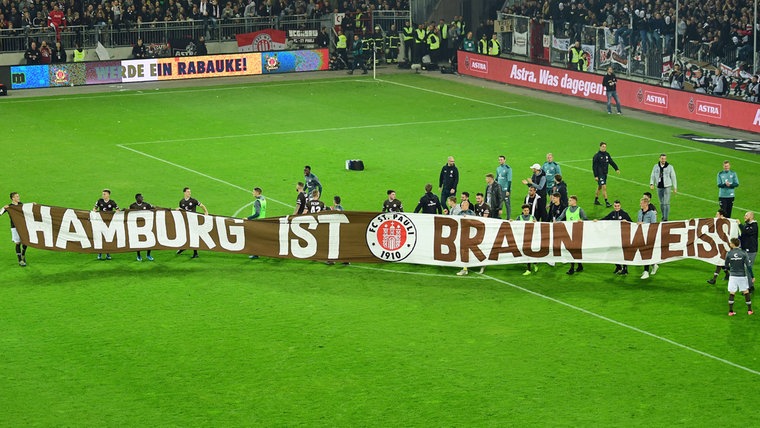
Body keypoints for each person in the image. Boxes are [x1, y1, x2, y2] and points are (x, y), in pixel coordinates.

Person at [555, 195, 588, 274]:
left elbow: (586, 220)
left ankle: (572, 268)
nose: (568, 202)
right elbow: (560, 218)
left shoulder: (580, 210)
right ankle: (579, 266)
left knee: (573, 250)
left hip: (577, 233)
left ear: (574, 201)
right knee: (572, 250)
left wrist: (581, 221)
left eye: (570, 200)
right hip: (568, 232)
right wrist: (555, 222)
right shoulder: (566, 209)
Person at [599, 200, 633, 275]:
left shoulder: (624, 214)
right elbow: (605, 219)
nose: (617, 207)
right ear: (614, 206)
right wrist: (597, 221)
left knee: (622, 253)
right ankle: (618, 267)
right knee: (612, 252)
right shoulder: (612, 214)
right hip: (614, 237)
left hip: (622, 237)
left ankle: (625, 268)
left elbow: (632, 223)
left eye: (618, 206)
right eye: (615, 206)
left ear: (620, 206)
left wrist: (627, 222)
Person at [725, 237, 754, 316]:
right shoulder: (744, 253)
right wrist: (752, 276)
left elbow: (726, 265)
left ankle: (730, 312)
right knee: (746, 292)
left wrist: (729, 270)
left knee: (732, 293)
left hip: (733, 276)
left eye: (730, 243)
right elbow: (748, 266)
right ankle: (749, 310)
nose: (730, 244)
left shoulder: (729, 253)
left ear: (733, 244)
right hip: (742, 276)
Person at [177, 187, 208, 258]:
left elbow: (202, 205)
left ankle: (195, 253)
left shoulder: (193, 200)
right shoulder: (181, 202)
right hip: (186, 221)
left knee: (193, 236)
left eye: (190, 192)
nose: (189, 193)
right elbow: (183, 210)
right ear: (184, 193)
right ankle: (184, 248)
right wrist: (179, 209)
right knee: (185, 235)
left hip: (193, 221)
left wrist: (206, 212)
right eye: (188, 192)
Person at [0, 192, 28, 267]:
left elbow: (27, 208)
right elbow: (0, 213)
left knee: (26, 241)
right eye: (17, 196)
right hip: (14, 227)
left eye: (18, 196)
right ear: (13, 198)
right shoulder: (9, 207)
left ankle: (23, 254)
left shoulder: (20, 204)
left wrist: (33, 205)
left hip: (22, 226)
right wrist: (3, 207)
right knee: (18, 243)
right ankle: (20, 260)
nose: (18, 197)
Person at [649, 154, 678, 221]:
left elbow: (673, 177)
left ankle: (665, 218)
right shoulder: (655, 166)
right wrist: (651, 183)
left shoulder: (670, 167)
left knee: (666, 203)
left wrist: (675, 187)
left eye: (664, 159)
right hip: (659, 186)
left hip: (667, 186)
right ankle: (663, 216)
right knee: (661, 203)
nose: (663, 160)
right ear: (659, 159)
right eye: (662, 158)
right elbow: (652, 175)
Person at [592, 142, 621, 208]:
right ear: (600, 147)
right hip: (600, 174)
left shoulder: (607, 154)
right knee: (604, 187)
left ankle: (596, 200)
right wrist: (595, 176)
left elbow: (611, 161)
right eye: (603, 146)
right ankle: (607, 202)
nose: (604, 148)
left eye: (605, 146)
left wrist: (616, 168)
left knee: (599, 187)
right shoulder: (596, 156)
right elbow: (594, 166)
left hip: (605, 173)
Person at [93, 189, 119, 261]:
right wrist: (94, 212)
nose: (103, 195)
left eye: (104, 194)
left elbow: (117, 210)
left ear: (108, 195)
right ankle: (100, 253)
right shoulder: (99, 201)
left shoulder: (112, 202)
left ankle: (107, 253)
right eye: (103, 194)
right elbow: (94, 209)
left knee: (107, 238)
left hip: (108, 224)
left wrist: (115, 214)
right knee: (100, 238)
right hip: (101, 222)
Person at [129, 193, 156, 261]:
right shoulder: (132, 206)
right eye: (141, 197)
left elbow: (154, 208)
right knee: (138, 241)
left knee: (149, 240)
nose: (142, 198)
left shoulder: (146, 205)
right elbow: (128, 213)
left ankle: (148, 255)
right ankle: (138, 255)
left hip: (147, 226)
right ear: (137, 198)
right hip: (137, 226)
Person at [637, 197, 658, 279]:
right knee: (642, 252)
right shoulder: (639, 212)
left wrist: (643, 223)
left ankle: (646, 271)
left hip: (649, 235)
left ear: (646, 204)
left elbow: (654, 224)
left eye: (641, 203)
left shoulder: (652, 213)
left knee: (645, 252)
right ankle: (654, 264)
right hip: (641, 234)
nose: (640, 204)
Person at [516, 204, 538, 275]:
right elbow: (514, 225)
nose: (526, 212)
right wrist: (511, 221)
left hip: (532, 238)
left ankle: (534, 265)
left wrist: (536, 223)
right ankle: (529, 268)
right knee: (527, 252)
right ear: (522, 211)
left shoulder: (532, 217)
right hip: (523, 238)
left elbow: (538, 226)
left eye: (527, 210)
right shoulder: (519, 217)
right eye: (525, 210)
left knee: (531, 252)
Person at [740, 212, 758, 287]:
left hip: (751, 250)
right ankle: (751, 285)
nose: (744, 217)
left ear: (751, 217)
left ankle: (749, 287)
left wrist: (740, 225)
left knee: (748, 268)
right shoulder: (747, 224)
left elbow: (746, 232)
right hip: (745, 250)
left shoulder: (754, 226)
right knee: (745, 268)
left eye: (746, 215)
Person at [496, 155, 512, 219]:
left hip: (505, 189)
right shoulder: (498, 168)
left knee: (507, 204)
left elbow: (509, 180)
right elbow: (497, 178)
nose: (500, 161)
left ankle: (508, 218)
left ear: (505, 160)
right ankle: (498, 218)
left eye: (501, 159)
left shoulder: (508, 169)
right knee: (499, 204)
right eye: (499, 160)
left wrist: (508, 190)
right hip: (499, 189)